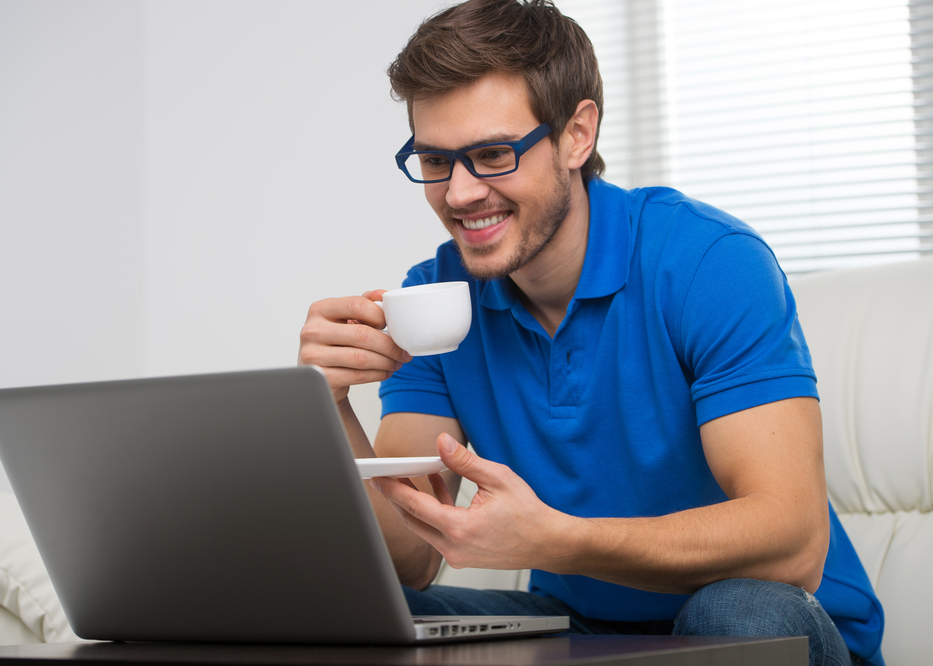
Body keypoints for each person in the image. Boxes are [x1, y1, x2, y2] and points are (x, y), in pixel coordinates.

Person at [297, 1, 884, 664]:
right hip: (585, 627)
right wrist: (331, 403)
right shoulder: (435, 301)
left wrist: (555, 539)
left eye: (491, 154)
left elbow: (794, 541)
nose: (458, 194)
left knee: (738, 612)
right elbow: (411, 559)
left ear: (577, 134)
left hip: (767, 619)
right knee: (356, 615)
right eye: (435, 161)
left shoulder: (705, 262)